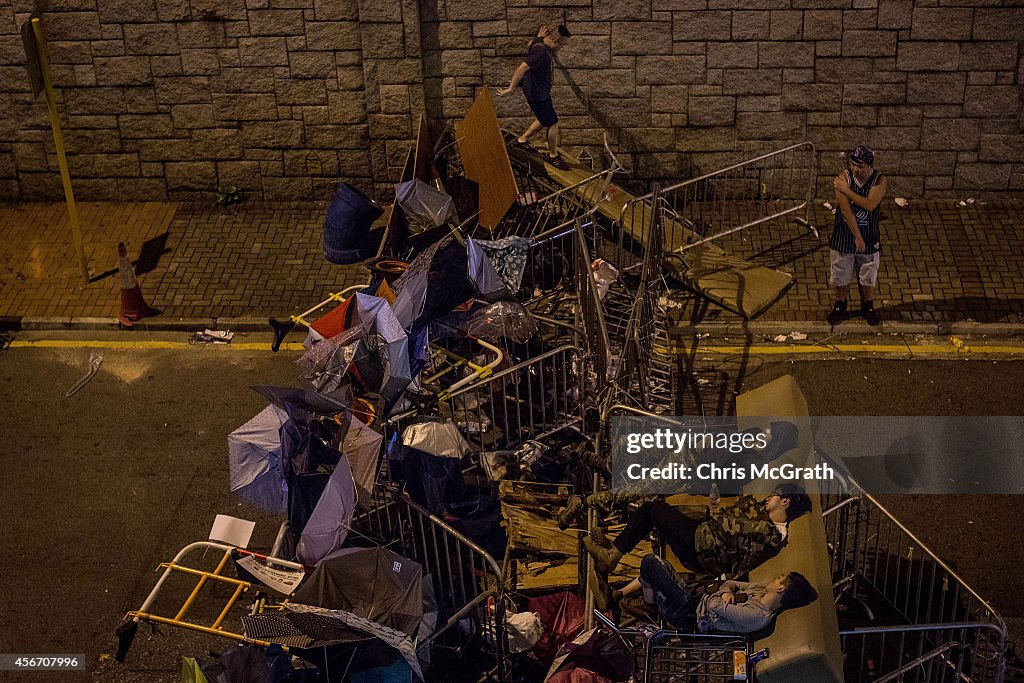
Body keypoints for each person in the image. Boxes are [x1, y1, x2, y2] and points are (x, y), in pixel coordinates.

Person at [583, 482, 813, 580]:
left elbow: (742, 564)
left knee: (651, 508)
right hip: (702, 535)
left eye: (775, 495)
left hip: (700, 549)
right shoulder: (767, 525)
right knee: (653, 509)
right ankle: (614, 548)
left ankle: (612, 556)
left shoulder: (771, 537)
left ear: (785, 502)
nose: (769, 497)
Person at [625, 553, 818, 633]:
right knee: (658, 566)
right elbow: (730, 583)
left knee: (651, 563)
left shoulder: (757, 615)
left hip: (687, 613)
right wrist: (726, 593)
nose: (775, 578)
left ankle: (647, 604)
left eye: (779, 578)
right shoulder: (760, 590)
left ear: (781, 589)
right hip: (696, 596)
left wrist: (723, 594)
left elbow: (713, 605)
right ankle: (628, 596)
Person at [827, 145, 888, 327]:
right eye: (853, 165)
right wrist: (856, 236)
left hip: (868, 235)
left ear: (869, 165)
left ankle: (867, 305)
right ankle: (840, 304)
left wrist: (846, 190)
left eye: (860, 166)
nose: (855, 169)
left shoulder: (879, 180)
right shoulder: (843, 177)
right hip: (845, 235)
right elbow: (846, 210)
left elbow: (870, 204)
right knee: (841, 272)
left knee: (868, 272)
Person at [498, 24, 572, 170]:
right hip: (537, 94)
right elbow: (522, 67)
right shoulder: (541, 53)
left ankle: (522, 139)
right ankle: (553, 156)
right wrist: (511, 88)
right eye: (562, 44)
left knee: (543, 117)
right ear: (556, 40)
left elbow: (529, 44)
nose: (562, 48)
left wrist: (538, 36)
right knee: (552, 123)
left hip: (539, 91)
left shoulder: (539, 42)